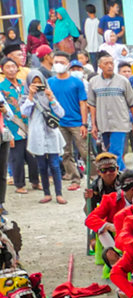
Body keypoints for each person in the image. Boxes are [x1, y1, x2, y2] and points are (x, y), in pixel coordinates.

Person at [21, 69, 66, 205]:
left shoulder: (48, 94)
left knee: (54, 164)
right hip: (36, 134)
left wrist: (51, 98)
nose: (37, 85)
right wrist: (30, 96)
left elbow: (61, 113)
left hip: (51, 132)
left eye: (39, 82)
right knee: (41, 165)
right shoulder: (25, 97)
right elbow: (24, 112)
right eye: (33, 83)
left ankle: (59, 194)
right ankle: (47, 193)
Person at [87, 51, 133, 168]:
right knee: (110, 154)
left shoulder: (123, 81)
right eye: (106, 63)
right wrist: (94, 125)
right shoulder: (93, 82)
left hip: (120, 122)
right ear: (100, 66)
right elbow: (92, 105)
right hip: (103, 124)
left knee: (115, 154)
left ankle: (121, 179)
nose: (110, 66)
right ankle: (122, 176)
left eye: (111, 63)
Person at [49, 50, 87, 192]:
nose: (58, 65)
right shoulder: (50, 82)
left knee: (85, 152)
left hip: (77, 123)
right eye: (56, 62)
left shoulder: (77, 82)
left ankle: (96, 177)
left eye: (62, 62)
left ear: (68, 64)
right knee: (66, 153)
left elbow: (83, 103)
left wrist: (84, 123)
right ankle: (75, 178)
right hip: (59, 123)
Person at [0, 57, 40, 194]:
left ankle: (35, 181)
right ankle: (19, 184)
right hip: (12, 125)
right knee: (17, 157)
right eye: (8, 67)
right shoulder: (1, 87)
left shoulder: (24, 84)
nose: (11, 69)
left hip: (29, 123)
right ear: (2, 69)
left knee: (33, 155)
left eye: (13, 66)